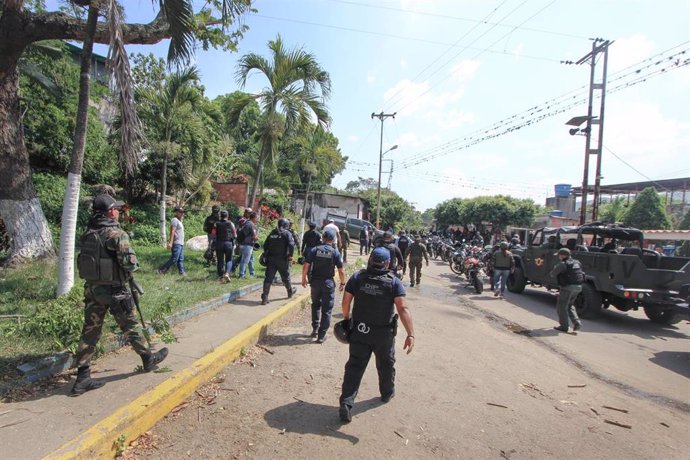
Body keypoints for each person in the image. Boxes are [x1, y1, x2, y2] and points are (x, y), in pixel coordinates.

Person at [72, 195, 168, 396]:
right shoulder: (116, 234)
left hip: (92, 290)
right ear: (109, 212)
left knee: (90, 331)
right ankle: (148, 359)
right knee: (131, 327)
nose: (117, 211)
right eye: (115, 208)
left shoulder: (88, 233)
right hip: (115, 291)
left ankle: (82, 378)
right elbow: (130, 264)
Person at [338, 247, 415, 423]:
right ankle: (387, 393)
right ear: (388, 263)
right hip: (383, 335)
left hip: (360, 331)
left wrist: (347, 320)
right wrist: (411, 334)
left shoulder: (357, 277)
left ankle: (346, 403)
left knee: (354, 368)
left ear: (371, 260)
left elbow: (345, 302)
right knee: (386, 364)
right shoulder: (394, 282)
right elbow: (402, 308)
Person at [301, 229, 346, 343]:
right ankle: (321, 335)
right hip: (328, 283)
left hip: (315, 283)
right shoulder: (335, 252)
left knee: (315, 305)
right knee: (327, 310)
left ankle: (315, 329)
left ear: (323, 238)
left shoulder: (315, 250)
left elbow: (306, 265)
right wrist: (342, 283)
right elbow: (341, 270)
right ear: (333, 240)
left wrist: (304, 278)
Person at [261, 218, 296, 305]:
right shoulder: (287, 233)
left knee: (268, 279)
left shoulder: (273, 233)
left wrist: (267, 253)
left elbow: (265, 245)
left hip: (271, 260)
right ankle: (290, 292)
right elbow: (291, 244)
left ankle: (265, 298)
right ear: (286, 225)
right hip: (283, 260)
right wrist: (290, 255)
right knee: (286, 277)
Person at [549, 248, 584, 333]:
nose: (558, 257)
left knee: (561, 307)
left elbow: (552, 274)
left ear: (563, 255)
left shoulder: (562, 264)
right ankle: (577, 324)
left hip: (567, 288)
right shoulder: (577, 262)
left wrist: (555, 267)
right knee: (570, 305)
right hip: (578, 287)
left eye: (559, 255)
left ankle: (564, 326)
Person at [158, 206, 187, 276]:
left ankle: (182, 272)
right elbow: (172, 231)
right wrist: (170, 242)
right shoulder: (174, 220)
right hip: (176, 243)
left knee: (181, 259)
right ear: (176, 212)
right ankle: (161, 269)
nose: (182, 214)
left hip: (181, 243)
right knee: (174, 259)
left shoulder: (180, 221)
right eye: (180, 212)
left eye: (182, 212)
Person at [214, 210, 236, 282]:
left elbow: (213, 234)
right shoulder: (231, 223)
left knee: (220, 260)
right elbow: (235, 234)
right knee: (229, 259)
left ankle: (221, 277)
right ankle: (226, 273)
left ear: (220, 216)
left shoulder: (216, 224)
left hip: (219, 243)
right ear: (227, 216)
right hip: (228, 243)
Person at [238, 211, 259, 278]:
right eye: (257, 218)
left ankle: (252, 274)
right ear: (254, 218)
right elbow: (254, 236)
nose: (257, 219)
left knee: (251, 259)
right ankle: (241, 275)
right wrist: (256, 238)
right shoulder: (251, 225)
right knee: (244, 260)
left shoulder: (245, 223)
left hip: (243, 244)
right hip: (247, 245)